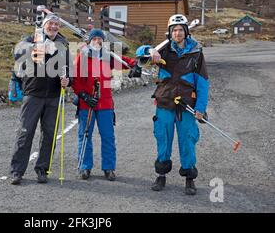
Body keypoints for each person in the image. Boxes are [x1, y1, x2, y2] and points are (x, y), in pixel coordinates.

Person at [136, 14, 209, 195]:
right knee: (163, 139)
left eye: (180, 30)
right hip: (165, 102)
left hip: (186, 105)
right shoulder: (163, 50)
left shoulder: (196, 53)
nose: (177, 33)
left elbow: (203, 83)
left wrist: (200, 108)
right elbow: (139, 53)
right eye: (174, 30)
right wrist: (149, 50)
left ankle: (189, 178)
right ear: (170, 32)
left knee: (188, 141)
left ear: (186, 32)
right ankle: (161, 175)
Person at [9, 14, 71, 185]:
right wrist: (37, 46)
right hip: (33, 93)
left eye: (56, 24)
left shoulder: (63, 44)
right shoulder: (31, 38)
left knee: (49, 135)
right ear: (44, 25)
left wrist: (68, 80)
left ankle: (42, 169)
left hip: (53, 96)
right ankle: (16, 171)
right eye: (50, 23)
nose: (53, 26)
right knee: (25, 132)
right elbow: (18, 53)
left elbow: (68, 70)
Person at [72, 29, 135, 181]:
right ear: (90, 40)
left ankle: (109, 168)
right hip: (87, 103)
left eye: (100, 39)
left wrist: (136, 65)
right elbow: (75, 80)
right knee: (85, 135)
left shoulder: (108, 56)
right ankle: (84, 167)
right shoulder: (82, 57)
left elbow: (127, 62)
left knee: (108, 136)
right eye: (95, 39)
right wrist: (84, 96)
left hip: (105, 103)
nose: (98, 41)